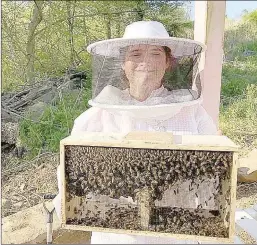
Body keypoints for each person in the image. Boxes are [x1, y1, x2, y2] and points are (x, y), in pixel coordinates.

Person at [53, 21, 219, 244]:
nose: (146, 62)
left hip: (177, 236)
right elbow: (72, 189)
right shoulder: (94, 118)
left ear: (168, 62)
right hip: (116, 238)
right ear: (123, 62)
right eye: (136, 53)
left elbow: (214, 183)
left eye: (156, 53)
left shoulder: (194, 115)